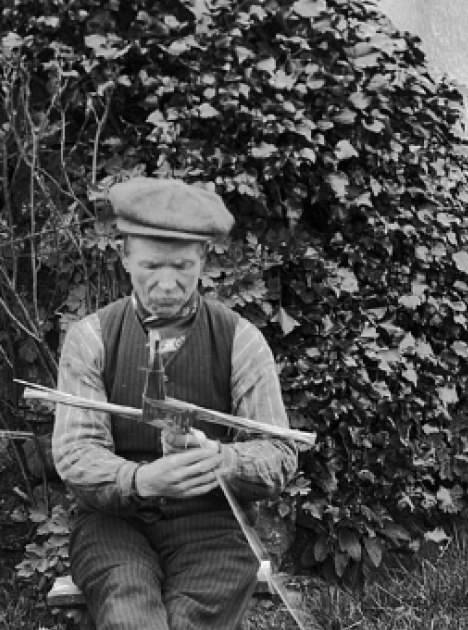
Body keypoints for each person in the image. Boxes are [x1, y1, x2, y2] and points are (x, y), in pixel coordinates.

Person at [52, 177, 298, 630]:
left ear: (204, 257)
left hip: (212, 526)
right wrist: (142, 479)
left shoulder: (241, 342)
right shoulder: (91, 340)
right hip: (114, 525)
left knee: (196, 619)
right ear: (124, 256)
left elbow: (279, 454)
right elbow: (75, 455)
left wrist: (223, 461)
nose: (167, 283)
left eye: (183, 266)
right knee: (127, 610)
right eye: (151, 265)